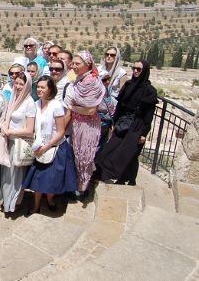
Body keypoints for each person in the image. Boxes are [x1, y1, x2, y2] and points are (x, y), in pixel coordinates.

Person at [95, 60, 157, 186]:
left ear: (144, 71)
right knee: (110, 149)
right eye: (134, 68)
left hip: (137, 125)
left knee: (130, 154)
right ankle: (102, 173)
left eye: (138, 69)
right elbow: (120, 106)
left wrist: (144, 134)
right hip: (123, 122)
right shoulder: (128, 85)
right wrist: (115, 122)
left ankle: (129, 180)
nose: (135, 71)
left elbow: (148, 115)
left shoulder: (150, 91)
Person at [23, 76, 77, 214]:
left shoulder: (56, 105)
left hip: (55, 147)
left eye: (43, 87)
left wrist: (46, 147)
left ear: (50, 89)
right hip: (39, 147)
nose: (39, 90)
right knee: (38, 179)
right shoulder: (36, 104)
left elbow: (60, 132)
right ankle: (36, 206)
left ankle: (50, 199)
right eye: (38, 87)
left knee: (52, 179)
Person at [63, 51, 104, 199]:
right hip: (77, 123)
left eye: (77, 64)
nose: (73, 66)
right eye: (72, 63)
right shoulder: (80, 79)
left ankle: (82, 188)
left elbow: (91, 109)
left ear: (87, 64)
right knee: (77, 153)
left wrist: (71, 107)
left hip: (87, 125)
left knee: (84, 156)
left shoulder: (91, 81)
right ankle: (78, 184)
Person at [0, 72, 36, 214]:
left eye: (21, 84)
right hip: (8, 140)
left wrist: (10, 132)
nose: (18, 86)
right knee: (6, 174)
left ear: (27, 86)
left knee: (15, 176)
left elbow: (30, 130)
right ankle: (3, 199)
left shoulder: (29, 103)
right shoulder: (14, 98)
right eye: (16, 83)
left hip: (18, 143)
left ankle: (12, 203)